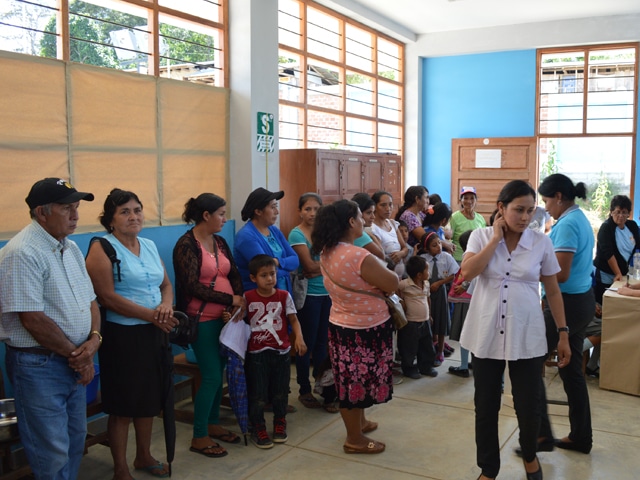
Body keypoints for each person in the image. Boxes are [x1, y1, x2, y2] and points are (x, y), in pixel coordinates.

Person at [459, 180, 570, 480]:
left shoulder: (540, 242)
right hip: (485, 334)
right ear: (500, 208)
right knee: (485, 405)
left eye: (530, 211)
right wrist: (494, 239)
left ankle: (531, 457)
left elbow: (553, 291)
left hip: (526, 332)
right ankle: (488, 469)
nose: (525, 217)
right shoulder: (481, 237)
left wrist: (563, 332)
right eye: (518, 210)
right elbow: (466, 273)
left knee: (529, 404)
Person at [0, 178, 99, 480]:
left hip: (72, 361)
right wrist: (78, 355)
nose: (76, 215)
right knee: (51, 452)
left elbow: (91, 301)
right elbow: (32, 319)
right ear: (41, 213)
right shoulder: (22, 252)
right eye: (67, 208)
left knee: (74, 441)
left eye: (77, 208)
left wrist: (94, 340)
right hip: (40, 365)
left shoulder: (69, 248)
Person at [85, 189, 178, 480]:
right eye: (125, 211)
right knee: (123, 405)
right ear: (110, 219)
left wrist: (165, 305)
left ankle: (143, 456)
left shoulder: (148, 244)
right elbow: (107, 298)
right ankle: (121, 468)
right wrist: (152, 315)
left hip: (154, 333)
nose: (133, 216)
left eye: (137, 210)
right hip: (122, 338)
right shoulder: (102, 248)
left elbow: (165, 284)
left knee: (149, 400)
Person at [312, 199, 399, 454]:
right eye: (361, 217)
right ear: (350, 222)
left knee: (353, 379)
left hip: (342, 325)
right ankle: (354, 438)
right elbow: (392, 282)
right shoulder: (358, 255)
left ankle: (359, 423)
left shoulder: (327, 251)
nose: (364, 221)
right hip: (364, 330)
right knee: (354, 384)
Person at [172, 193, 245, 458]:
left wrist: (239, 302)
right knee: (212, 375)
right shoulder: (186, 245)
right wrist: (229, 298)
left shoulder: (220, 241)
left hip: (226, 319)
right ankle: (199, 436)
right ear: (206, 215)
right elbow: (192, 286)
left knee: (220, 372)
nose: (225, 219)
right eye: (222, 214)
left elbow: (234, 273)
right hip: (201, 321)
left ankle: (213, 424)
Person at [538, 173, 595, 455]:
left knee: (529, 363)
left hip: (567, 305)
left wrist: (525, 270)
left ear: (559, 197)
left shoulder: (570, 223)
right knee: (571, 371)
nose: (546, 206)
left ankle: (540, 435)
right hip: (581, 300)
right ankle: (581, 437)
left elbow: (560, 274)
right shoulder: (577, 218)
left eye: (547, 200)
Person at [241, 255, 307, 449]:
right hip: (256, 354)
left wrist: (299, 338)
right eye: (264, 275)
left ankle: (280, 422)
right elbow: (239, 320)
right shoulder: (247, 297)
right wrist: (230, 315)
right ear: (253, 278)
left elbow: (294, 320)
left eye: (272, 274)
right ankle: (258, 426)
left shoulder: (284, 296)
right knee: (258, 394)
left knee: (280, 392)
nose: (270, 279)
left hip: (281, 352)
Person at [288, 193, 332, 410]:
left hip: (328, 293)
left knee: (324, 342)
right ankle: (304, 389)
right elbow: (308, 266)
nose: (312, 213)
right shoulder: (296, 234)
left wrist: (320, 268)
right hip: (309, 296)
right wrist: (325, 267)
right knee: (307, 344)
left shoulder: (324, 231)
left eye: (316, 209)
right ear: (300, 211)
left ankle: (321, 384)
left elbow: (325, 264)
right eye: (307, 209)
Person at [234, 187, 299, 293]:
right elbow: (265, 269)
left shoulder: (273, 230)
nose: (277, 212)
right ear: (258, 211)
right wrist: (285, 267)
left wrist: (278, 262)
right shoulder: (246, 236)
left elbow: (295, 260)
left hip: (282, 291)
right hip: (259, 296)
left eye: (276, 207)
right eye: (272, 207)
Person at [417, 232, 458, 366]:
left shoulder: (446, 257)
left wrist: (439, 283)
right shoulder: (423, 258)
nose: (439, 247)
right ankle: (431, 350)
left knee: (441, 320)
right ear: (427, 249)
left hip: (440, 292)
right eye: (434, 245)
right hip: (426, 292)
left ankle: (440, 351)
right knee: (429, 319)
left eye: (439, 243)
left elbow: (454, 274)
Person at [592, 195, 640, 303]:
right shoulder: (606, 228)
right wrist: (617, 273)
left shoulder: (632, 226)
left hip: (623, 273)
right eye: (617, 212)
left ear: (629, 213)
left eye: (624, 212)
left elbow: (638, 246)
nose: (621, 216)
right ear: (611, 212)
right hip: (606, 272)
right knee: (604, 301)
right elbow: (609, 253)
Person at [397, 256, 438, 379]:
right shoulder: (404, 285)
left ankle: (426, 366)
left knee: (426, 346)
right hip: (410, 323)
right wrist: (401, 301)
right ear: (419, 275)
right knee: (409, 347)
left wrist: (429, 315)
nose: (429, 273)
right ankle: (409, 368)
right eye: (427, 270)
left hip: (424, 320)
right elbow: (395, 292)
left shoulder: (426, 284)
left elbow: (428, 299)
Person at [448, 229, 474, 378]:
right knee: (474, 333)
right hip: (474, 300)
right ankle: (473, 363)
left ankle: (464, 365)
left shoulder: (468, 259)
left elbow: (466, 279)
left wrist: (463, 286)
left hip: (465, 300)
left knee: (465, 333)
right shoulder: (480, 257)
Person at [371, 190, 409, 277]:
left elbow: (405, 247)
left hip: (399, 276)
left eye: (390, 204)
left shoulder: (392, 224)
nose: (388, 209)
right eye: (383, 205)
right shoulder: (373, 229)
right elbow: (379, 255)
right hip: (384, 275)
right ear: (375, 207)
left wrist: (401, 253)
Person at [450, 186, 487, 264]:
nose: (469, 201)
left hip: (476, 258)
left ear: (476, 200)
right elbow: (449, 238)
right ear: (461, 200)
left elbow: (484, 238)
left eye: (472, 198)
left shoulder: (480, 218)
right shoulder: (454, 217)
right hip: (458, 259)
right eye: (465, 198)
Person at [351, 192, 385, 259]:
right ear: (359, 213)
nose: (373, 217)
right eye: (369, 213)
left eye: (373, 212)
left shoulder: (349, 231)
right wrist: (373, 237)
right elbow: (382, 255)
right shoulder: (360, 235)